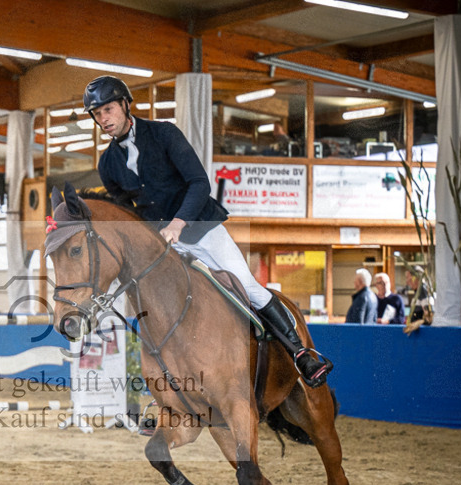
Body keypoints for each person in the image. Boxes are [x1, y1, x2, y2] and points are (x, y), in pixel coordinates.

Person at [83, 75, 332, 388]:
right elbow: (129, 214)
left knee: (247, 286)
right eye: (97, 114)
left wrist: (178, 223)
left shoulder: (163, 134)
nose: (103, 118)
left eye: (108, 110)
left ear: (124, 105)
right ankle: (164, 383)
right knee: (154, 305)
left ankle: (300, 353)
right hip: (165, 245)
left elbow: (200, 183)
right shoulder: (107, 164)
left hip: (202, 230)